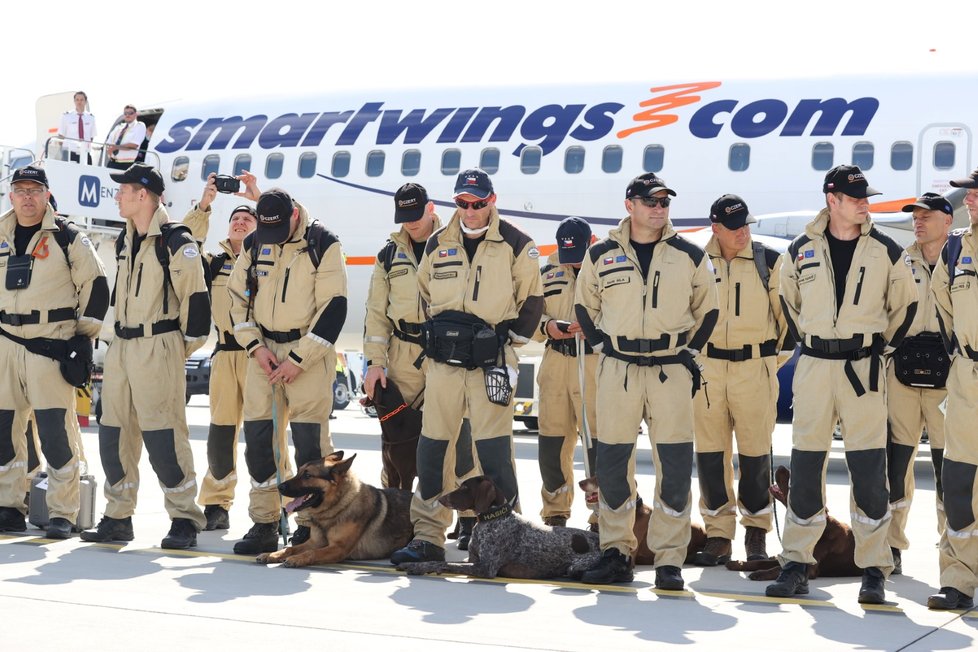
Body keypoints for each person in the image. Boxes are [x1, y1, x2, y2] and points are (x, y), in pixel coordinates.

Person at [767, 165, 917, 604]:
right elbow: (789, 304)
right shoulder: (799, 250)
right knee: (807, 467)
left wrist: (875, 349)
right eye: (856, 197)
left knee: (870, 472)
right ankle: (795, 563)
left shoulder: (887, 250)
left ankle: (873, 568)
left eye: (866, 196)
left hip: (864, 368)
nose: (865, 203)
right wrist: (817, 342)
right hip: (814, 367)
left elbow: (904, 308)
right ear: (832, 199)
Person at [389, 168, 544, 564]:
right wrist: (443, 336)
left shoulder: (517, 244)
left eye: (478, 203)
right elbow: (424, 293)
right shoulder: (439, 243)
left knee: (493, 453)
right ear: (454, 203)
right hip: (443, 367)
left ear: (492, 200)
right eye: (462, 203)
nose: (470, 210)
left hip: (490, 364)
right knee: (433, 449)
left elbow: (532, 302)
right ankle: (428, 536)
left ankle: (506, 539)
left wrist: (507, 348)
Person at [574, 172, 718, 589]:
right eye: (650, 201)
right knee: (613, 466)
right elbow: (585, 305)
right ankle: (617, 551)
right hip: (617, 369)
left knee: (672, 467)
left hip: (669, 368)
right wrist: (605, 347)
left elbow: (708, 309)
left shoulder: (689, 254)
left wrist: (687, 353)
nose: (659, 209)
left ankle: (669, 560)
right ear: (630, 206)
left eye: (664, 202)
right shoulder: (600, 253)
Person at [80, 163, 210, 549]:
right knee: (113, 435)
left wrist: (174, 349)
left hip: (158, 345)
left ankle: (185, 518)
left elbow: (197, 302)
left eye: (124, 190)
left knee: (164, 437)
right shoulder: (125, 240)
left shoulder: (175, 240)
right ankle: (118, 516)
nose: (117, 195)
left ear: (144, 195)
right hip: (122, 347)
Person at [226, 188, 347, 554]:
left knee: (311, 448)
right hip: (263, 352)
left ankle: (312, 527)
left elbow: (335, 307)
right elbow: (236, 300)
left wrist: (299, 359)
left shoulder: (323, 243)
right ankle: (264, 521)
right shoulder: (255, 242)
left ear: (294, 214)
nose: (271, 239)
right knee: (259, 442)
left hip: (307, 352)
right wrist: (255, 347)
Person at [362, 183, 477, 547]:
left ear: (430, 208)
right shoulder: (388, 255)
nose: (410, 224)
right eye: (404, 218)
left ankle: (470, 516)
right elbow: (376, 314)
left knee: (458, 439)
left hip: (448, 353)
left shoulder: (454, 241)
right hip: (403, 354)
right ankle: (400, 513)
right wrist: (374, 364)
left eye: (416, 216)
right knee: (397, 442)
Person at [0, 165, 108, 538]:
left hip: (50, 343)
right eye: (20, 190)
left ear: (46, 195)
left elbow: (96, 285)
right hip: (5, 343)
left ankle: (63, 511)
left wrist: (83, 337)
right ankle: (9, 507)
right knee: (4, 432)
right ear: (11, 195)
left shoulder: (68, 237)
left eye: (34, 190)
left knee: (54, 431)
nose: (27, 197)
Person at [692, 194, 788, 566]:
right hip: (709, 370)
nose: (743, 233)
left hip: (755, 367)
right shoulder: (696, 260)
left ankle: (755, 532)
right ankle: (718, 534)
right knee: (711, 456)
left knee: (755, 455)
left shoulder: (769, 261)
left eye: (747, 225)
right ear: (716, 228)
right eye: (734, 228)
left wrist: (767, 363)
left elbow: (788, 322)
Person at [183, 172, 261, 532]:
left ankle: (273, 505)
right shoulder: (212, 262)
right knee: (220, 433)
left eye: (248, 218)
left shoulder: (269, 256)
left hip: (261, 355)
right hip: (226, 354)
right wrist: (204, 205)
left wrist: (259, 198)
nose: (240, 222)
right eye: (236, 218)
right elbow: (183, 244)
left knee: (267, 434)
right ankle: (216, 503)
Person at [886, 193, 952, 575]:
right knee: (896, 463)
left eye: (928, 216)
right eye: (915, 216)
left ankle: (953, 549)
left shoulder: (963, 259)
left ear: (947, 221)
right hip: (903, 374)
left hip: (949, 378)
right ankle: (892, 546)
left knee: (950, 468)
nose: (919, 222)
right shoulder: (898, 260)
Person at [928, 168, 978, 610]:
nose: (971, 200)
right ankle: (958, 580)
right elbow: (944, 309)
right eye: (971, 194)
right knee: (958, 482)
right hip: (967, 376)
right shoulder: (956, 247)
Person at [530, 216, 599, 528]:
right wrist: (547, 327)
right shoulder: (546, 273)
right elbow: (528, 315)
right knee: (552, 445)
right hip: (556, 362)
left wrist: (597, 330)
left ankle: (605, 516)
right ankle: (555, 514)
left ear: (592, 242)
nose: (573, 262)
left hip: (595, 364)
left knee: (601, 444)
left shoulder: (609, 269)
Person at [57, 91, 96, 164]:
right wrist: (64, 151)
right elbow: (61, 136)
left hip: (85, 153)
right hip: (70, 153)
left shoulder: (91, 118)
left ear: (85, 102)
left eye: (81, 100)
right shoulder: (66, 116)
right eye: (77, 100)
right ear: (74, 101)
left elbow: (91, 137)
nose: (79, 102)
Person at [105, 105, 147, 170]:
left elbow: (134, 145)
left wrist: (115, 147)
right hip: (111, 163)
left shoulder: (139, 126)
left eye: (130, 113)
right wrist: (109, 149)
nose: (127, 115)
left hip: (126, 164)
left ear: (136, 114)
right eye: (125, 113)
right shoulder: (118, 127)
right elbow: (108, 142)